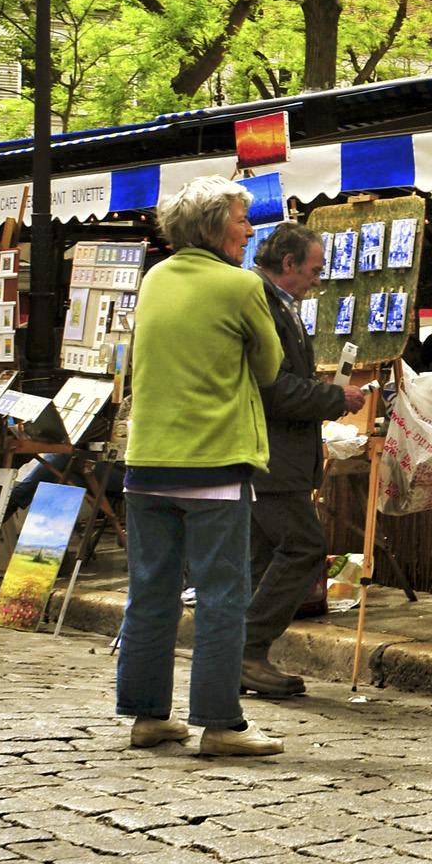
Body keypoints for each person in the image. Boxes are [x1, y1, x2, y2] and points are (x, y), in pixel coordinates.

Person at [117, 176, 285, 756]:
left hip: (146, 466)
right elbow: (269, 367)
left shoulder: (155, 278)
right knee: (221, 596)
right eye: (242, 220)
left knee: (151, 591)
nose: (250, 230)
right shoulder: (241, 286)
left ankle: (147, 716)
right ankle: (220, 724)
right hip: (213, 462)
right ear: (214, 227)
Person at [243, 223, 368, 699]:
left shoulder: (279, 305)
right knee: (304, 547)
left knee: (261, 556)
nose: (319, 279)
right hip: (271, 457)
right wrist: (333, 396)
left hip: (272, 454)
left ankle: (247, 659)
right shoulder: (264, 303)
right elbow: (273, 387)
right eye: (314, 269)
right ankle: (246, 649)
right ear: (289, 264)